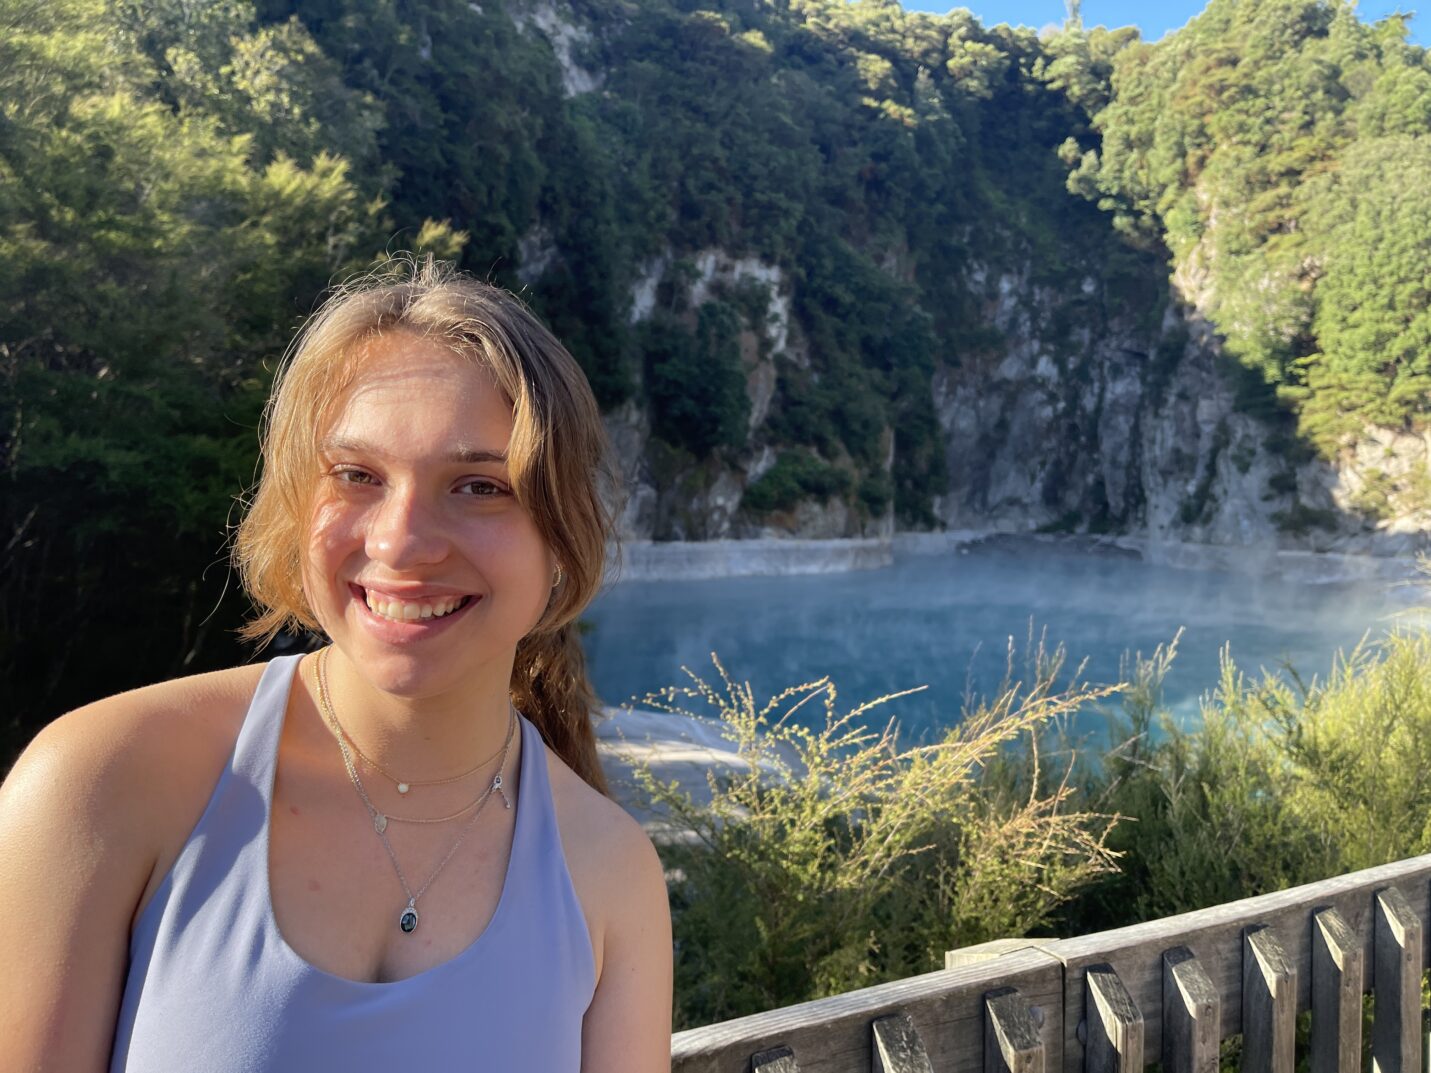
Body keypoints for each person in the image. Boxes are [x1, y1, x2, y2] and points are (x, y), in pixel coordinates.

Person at [0, 260, 673, 1071]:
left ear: (560, 539)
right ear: (294, 500)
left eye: (478, 485)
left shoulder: (609, 869)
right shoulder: (103, 779)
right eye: (356, 475)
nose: (398, 542)